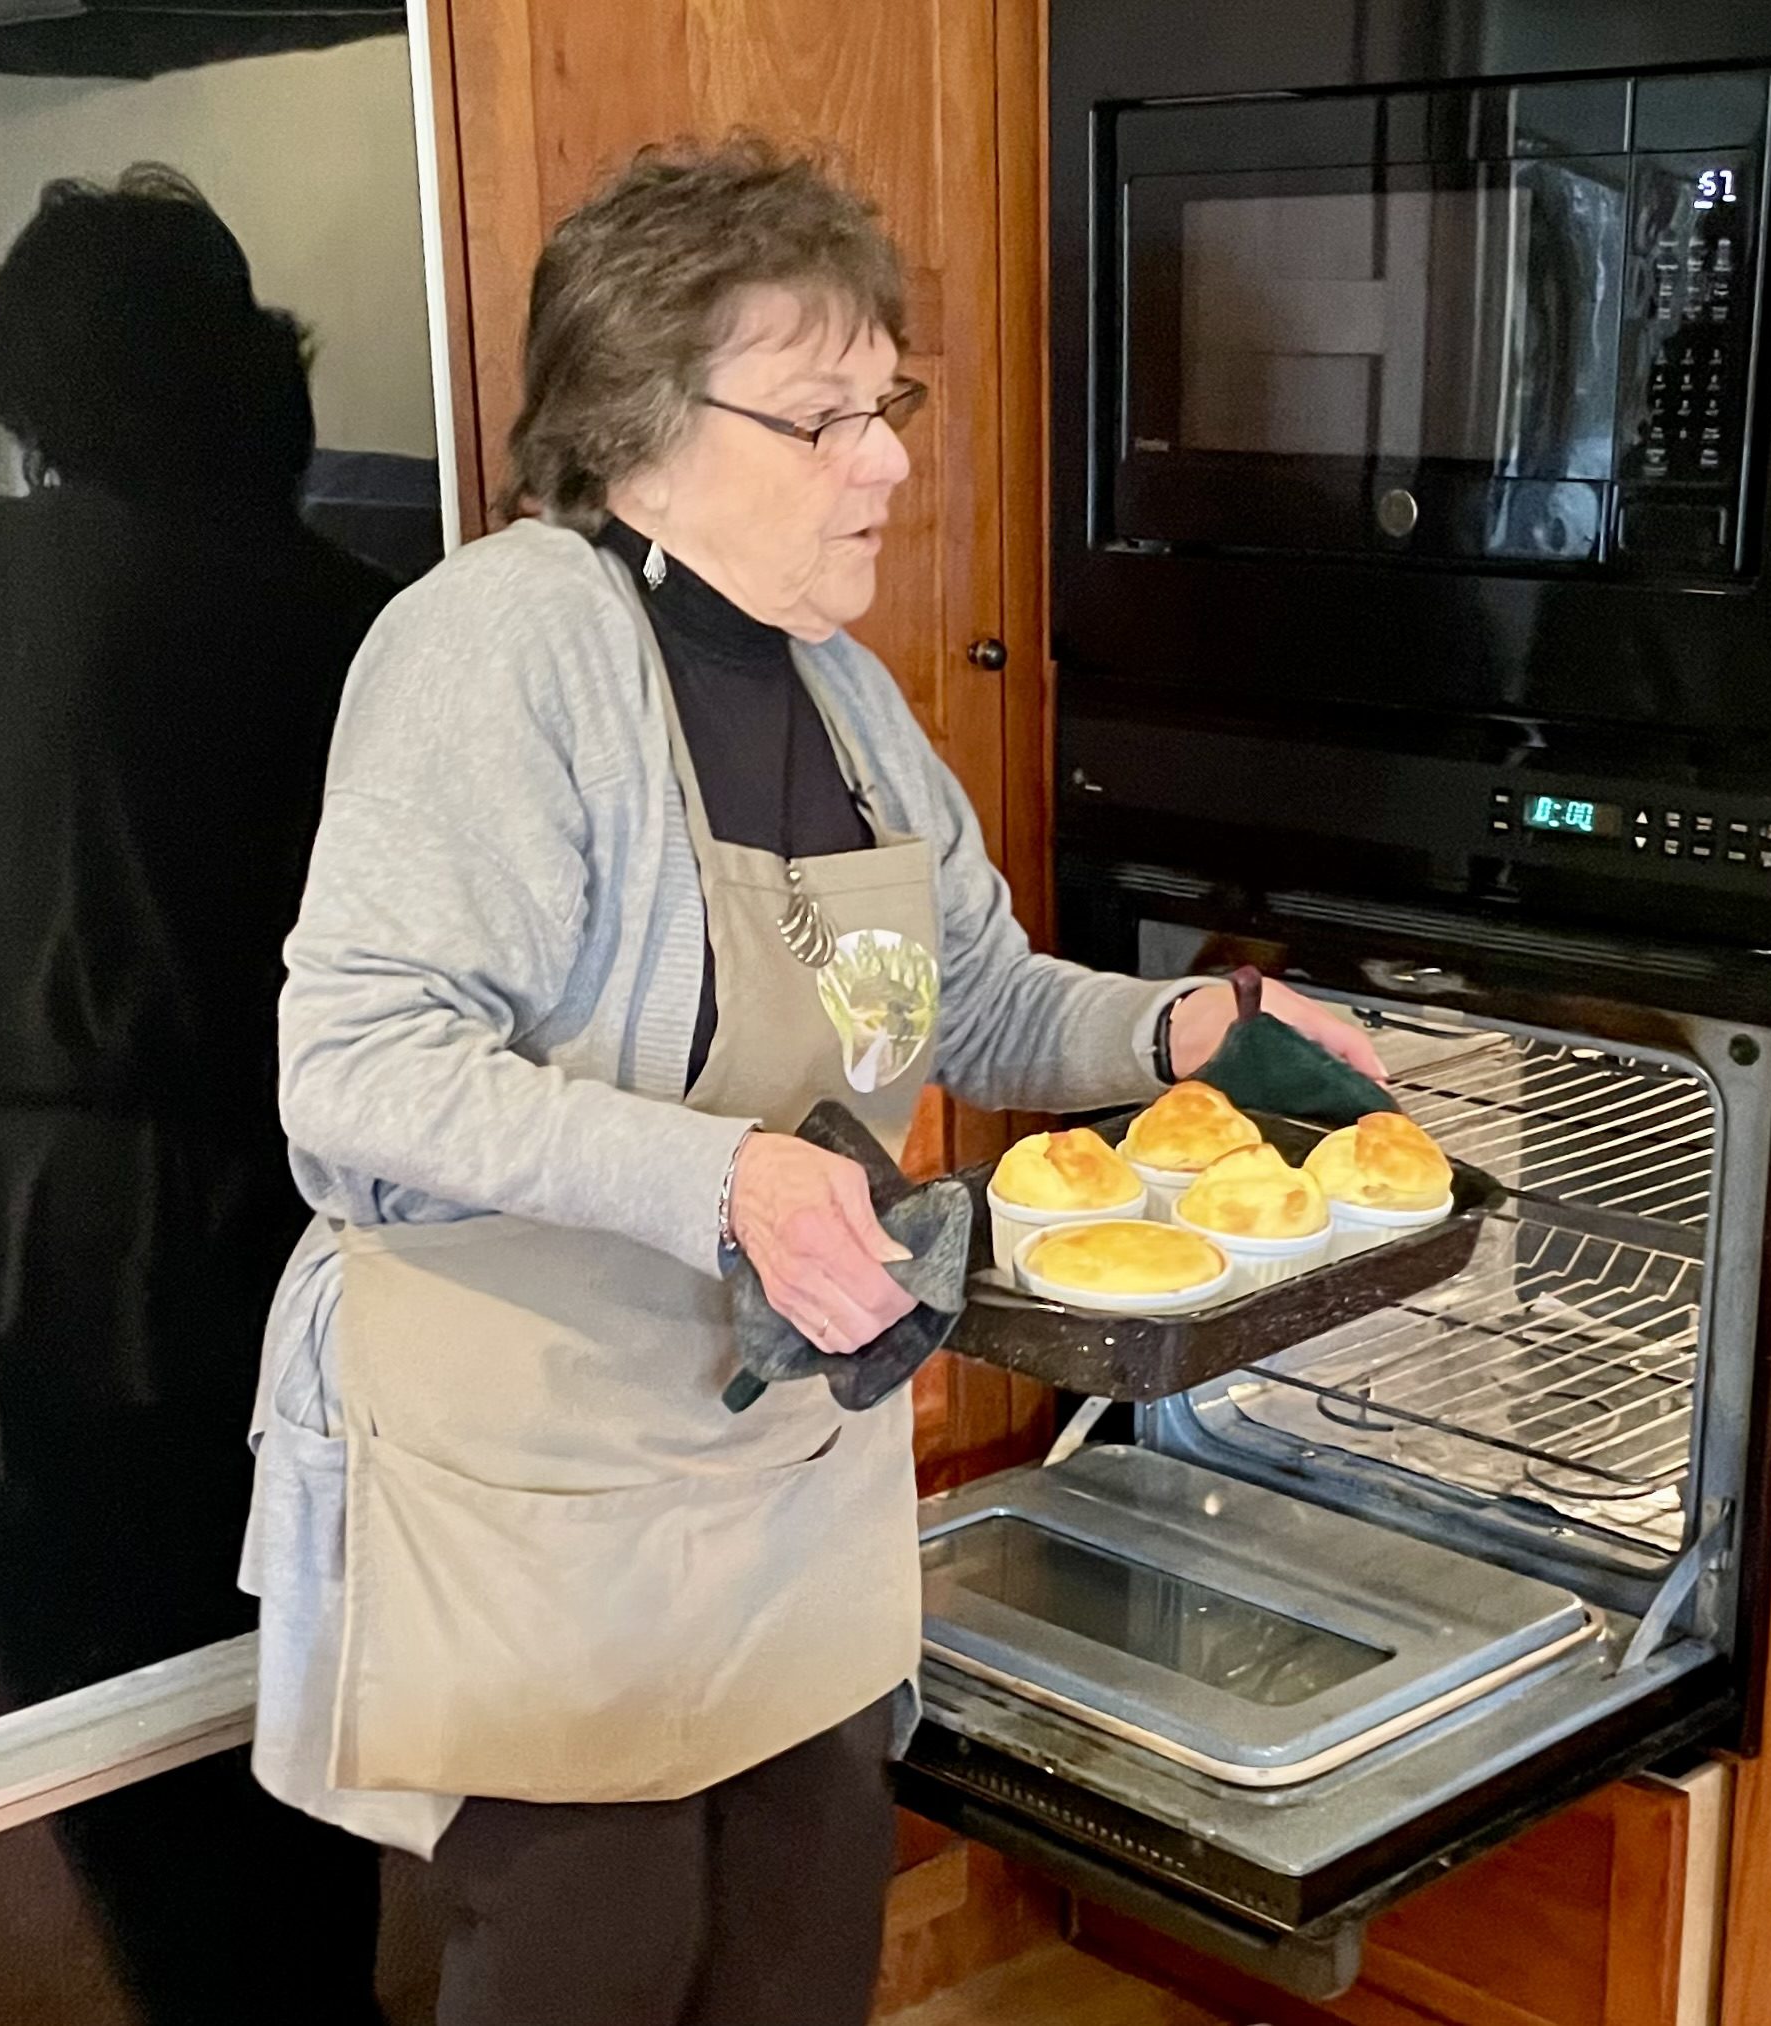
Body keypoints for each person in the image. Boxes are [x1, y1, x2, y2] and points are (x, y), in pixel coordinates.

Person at [243, 135, 1381, 2026]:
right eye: (820, 416)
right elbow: (352, 1066)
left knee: (792, 1966)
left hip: (782, 1468)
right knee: (585, 1970)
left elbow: (979, 1000)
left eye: (885, 401)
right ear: (633, 424)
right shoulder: (502, 642)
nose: (888, 459)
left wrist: (1184, 1030)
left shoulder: (836, 684)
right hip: (539, 1482)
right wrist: (725, 1179)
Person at [0, 168, 393, 2024]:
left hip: (36, 1241)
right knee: (285, 1681)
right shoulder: (353, 611)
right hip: (297, 1226)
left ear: (32, 381)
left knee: (82, 1687)